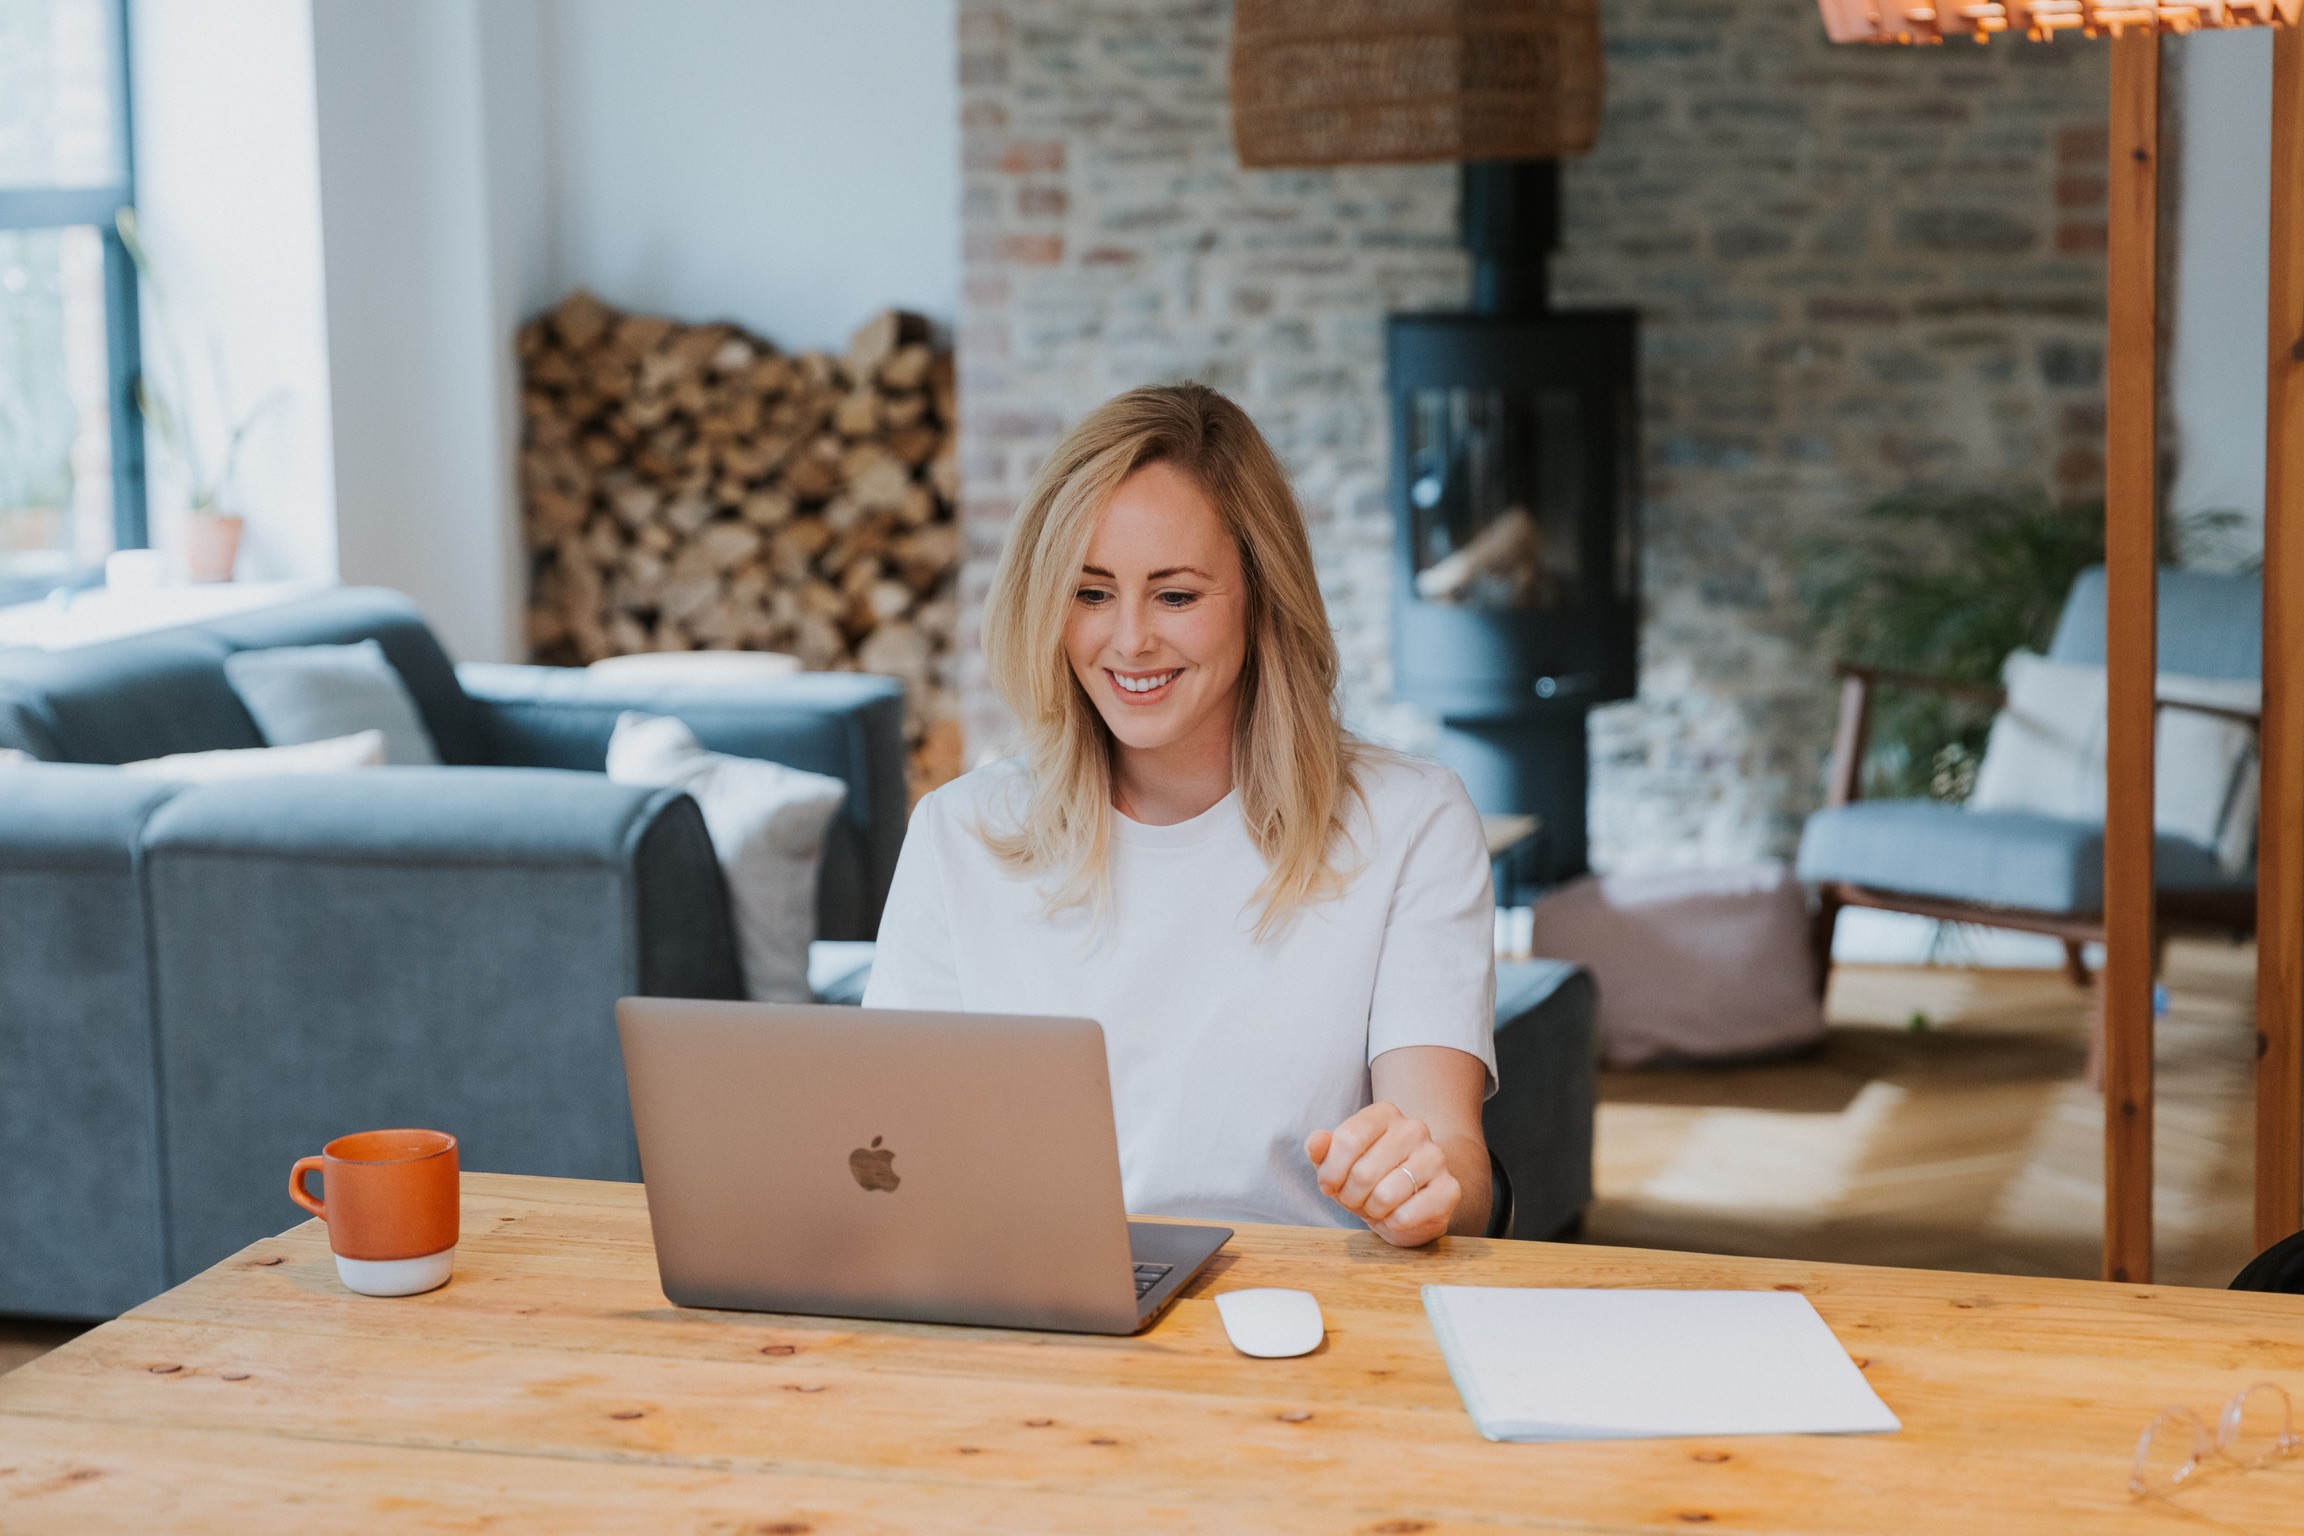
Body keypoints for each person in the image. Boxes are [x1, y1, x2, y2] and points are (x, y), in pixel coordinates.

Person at [864, 383, 1497, 1246]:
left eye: (1176, 596)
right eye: (1090, 594)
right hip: (1025, 1306)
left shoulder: (1411, 822)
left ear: (1261, 598)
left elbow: (1455, 1153)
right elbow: (886, 1154)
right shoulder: (957, 834)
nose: (1129, 641)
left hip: (1301, 1317)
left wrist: (1424, 1184)